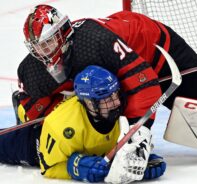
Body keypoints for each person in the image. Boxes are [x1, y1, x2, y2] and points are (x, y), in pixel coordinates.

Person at [14, 4, 197, 173]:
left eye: (47, 44)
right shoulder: (33, 68)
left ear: (62, 34)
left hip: (154, 44)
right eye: (37, 47)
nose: (43, 53)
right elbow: (33, 103)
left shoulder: (96, 42)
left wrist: (137, 135)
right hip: (115, 63)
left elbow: (144, 85)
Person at [0, 65, 166, 183]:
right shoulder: (62, 128)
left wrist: (137, 160)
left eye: (115, 94)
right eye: (106, 99)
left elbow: (119, 149)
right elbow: (48, 167)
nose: (115, 103)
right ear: (89, 103)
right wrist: (74, 168)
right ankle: (23, 112)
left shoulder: (114, 109)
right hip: (36, 143)